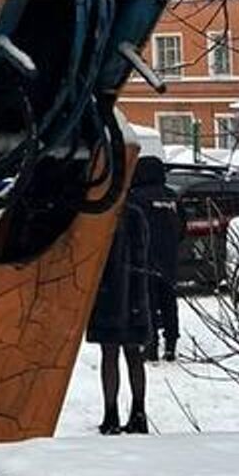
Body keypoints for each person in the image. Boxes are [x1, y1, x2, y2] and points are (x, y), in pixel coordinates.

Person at [88, 153, 161, 434]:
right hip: (136, 295)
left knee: (110, 355)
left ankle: (110, 415)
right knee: (134, 355)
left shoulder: (103, 218)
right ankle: (139, 412)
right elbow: (146, 254)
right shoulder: (136, 215)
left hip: (108, 295)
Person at [136, 157, 183, 362]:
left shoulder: (135, 197)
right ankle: (171, 344)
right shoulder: (172, 197)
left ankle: (151, 345)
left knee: (148, 301)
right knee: (169, 302)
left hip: (144, 258)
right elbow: (182, 227)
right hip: (169, 258)